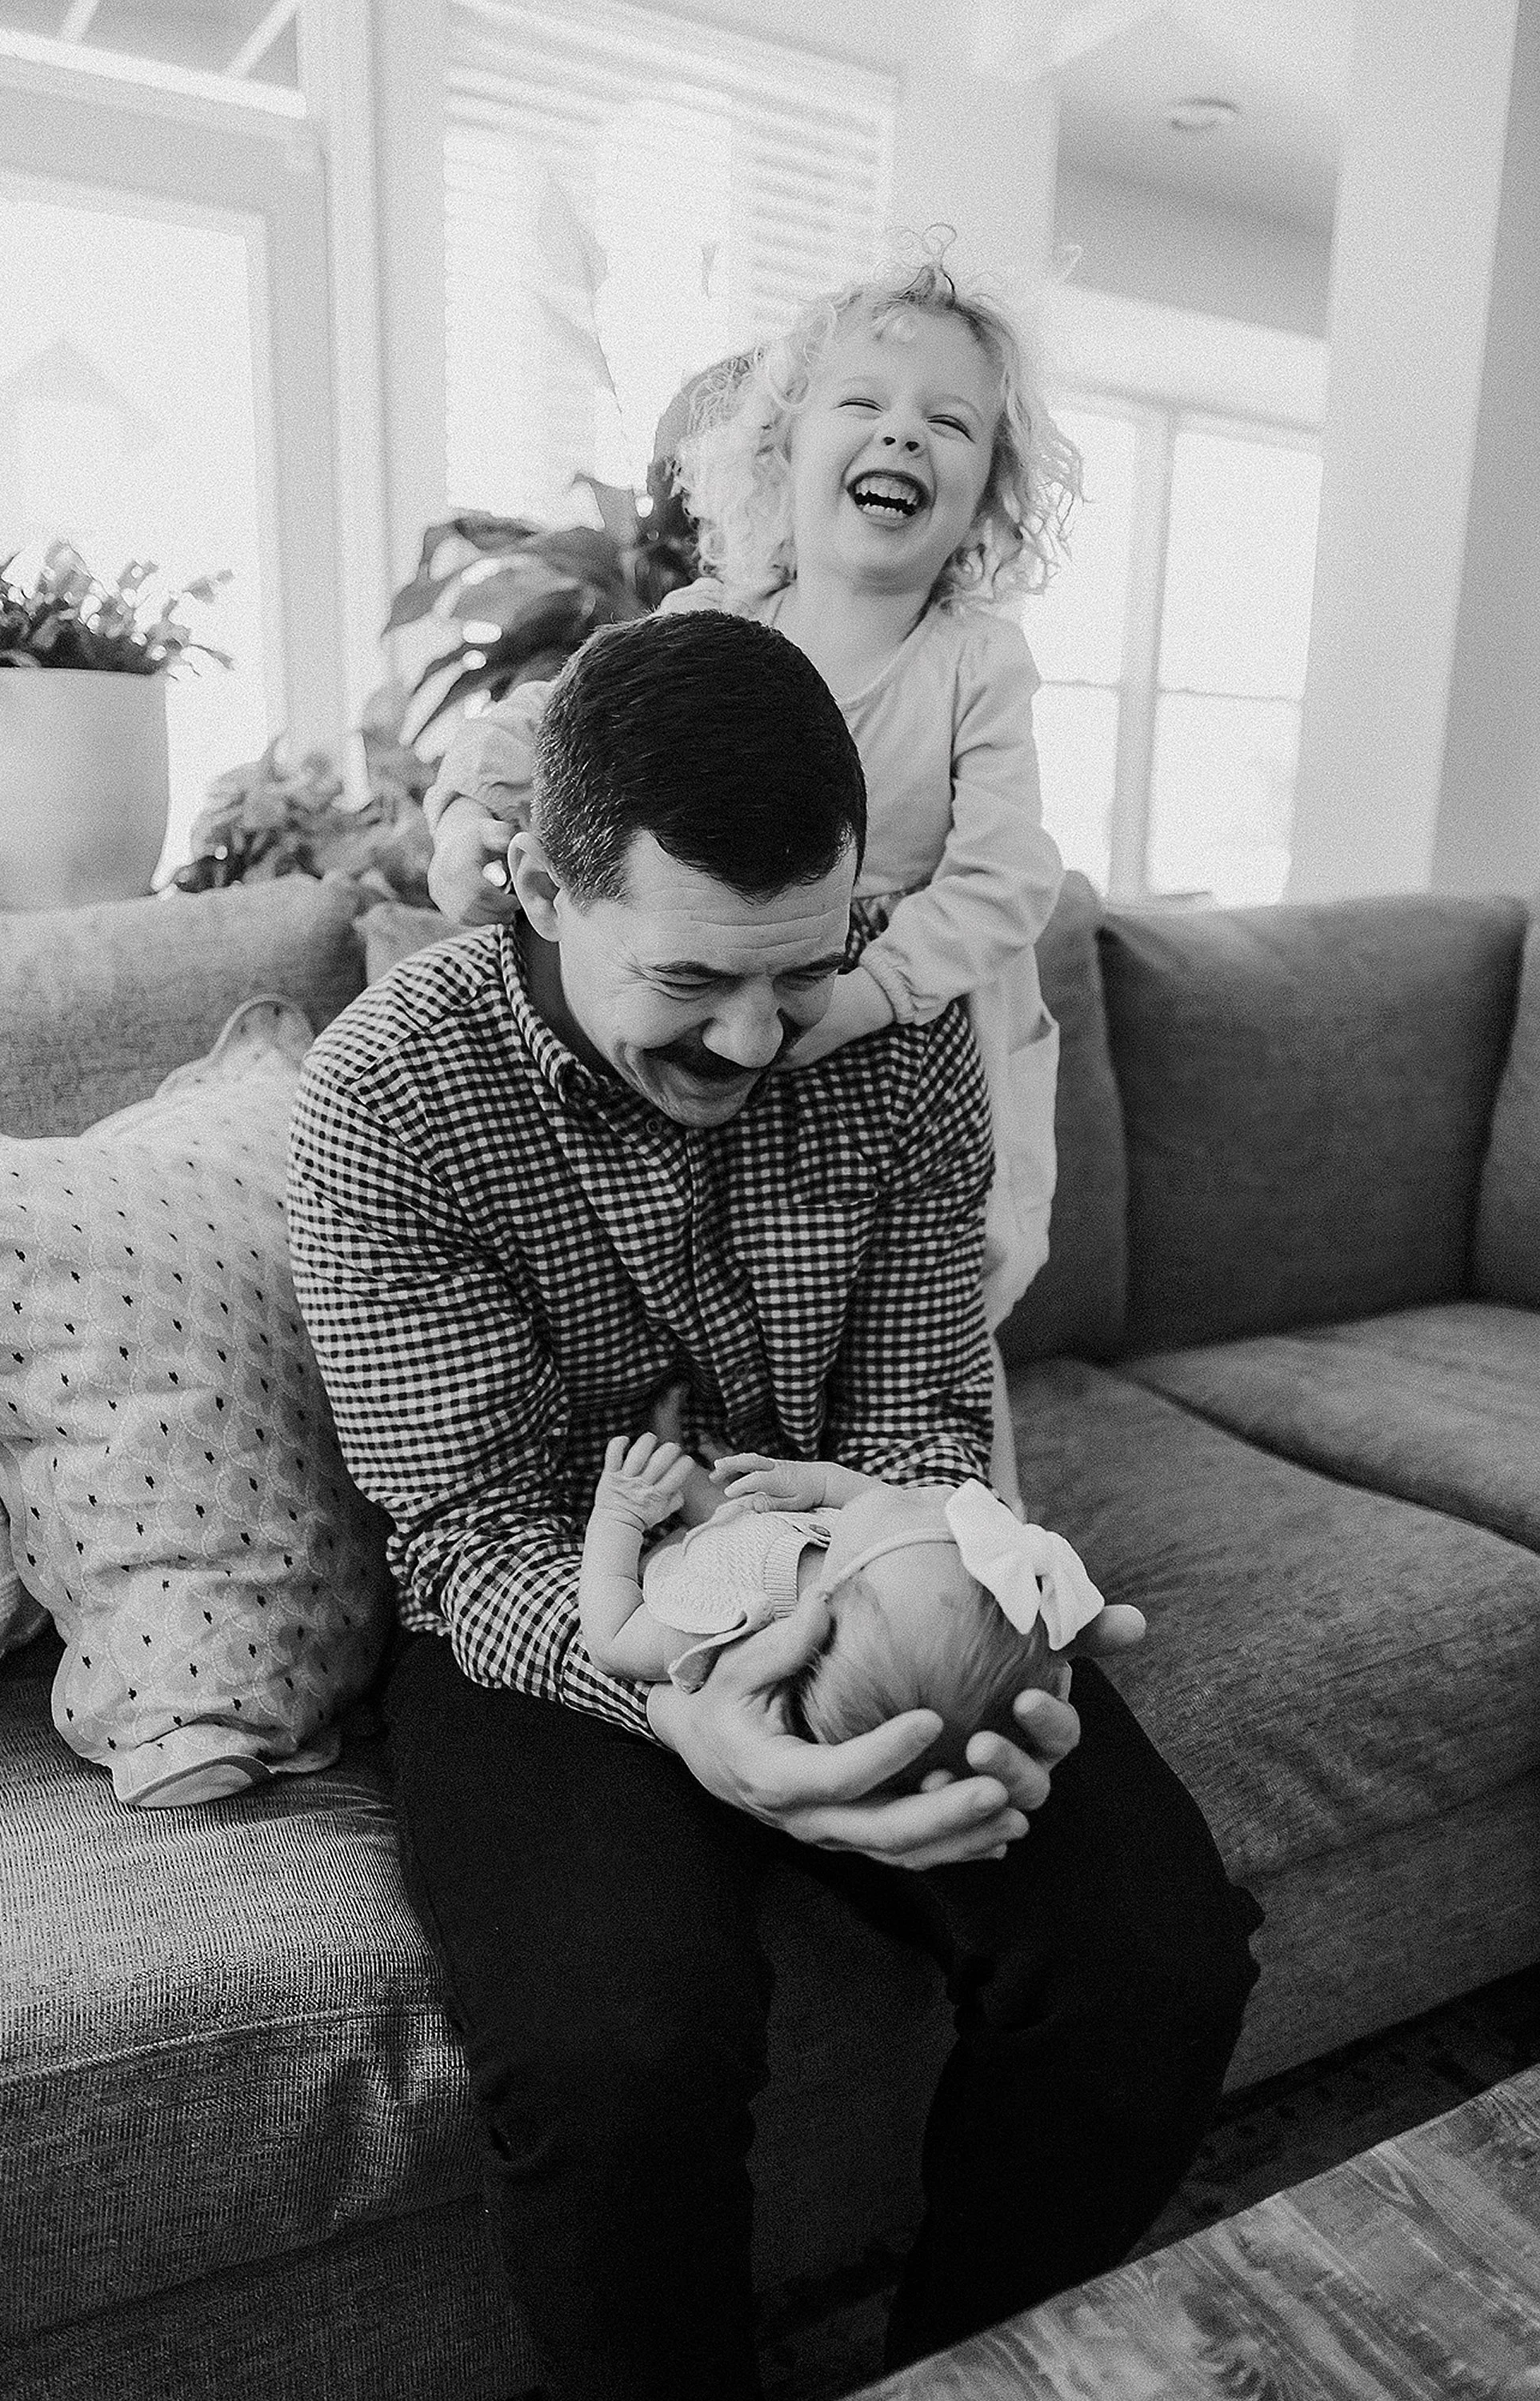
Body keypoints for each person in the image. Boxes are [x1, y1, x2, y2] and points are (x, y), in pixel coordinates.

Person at [288, 607, 1261, 2401]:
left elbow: (915, 1416)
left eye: (798, 968)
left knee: (1156, 1960)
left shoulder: (894, 1036)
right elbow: (467, 1528)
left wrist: (952, 1570)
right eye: (691, 982)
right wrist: (683, 1701)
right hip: (557, 1615)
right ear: (541, 888)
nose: (755, 1037)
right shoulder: (384, 1101)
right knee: (616, 2056)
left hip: (858, 1555)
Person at [422, 242, 1078, 1504]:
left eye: (949, 422)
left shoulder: (975, 661)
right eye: (865, 405)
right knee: (786, 1271)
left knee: (944, 1300)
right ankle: (766, 1522)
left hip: (925, 1019)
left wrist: (864, 991)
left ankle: (962, 1532)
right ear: (780, 450)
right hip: (756, 996)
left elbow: (1006, 879)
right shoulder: (717, 622)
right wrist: (466, 810)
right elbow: (550, 726)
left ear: (987, 490)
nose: (905, 436)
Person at [581, 1435, 1111, 1787]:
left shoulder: (725, 1625)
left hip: (677, 1554)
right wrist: (822, 1482)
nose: (918, 1498)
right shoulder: (874, 1575)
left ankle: (653, 1473)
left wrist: (620, 1515)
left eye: (905, 1513)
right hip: (749, 1526)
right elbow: (876, 1506)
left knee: (680, 1493)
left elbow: (611, 1634)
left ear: (840, 1591)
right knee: (717, 1484)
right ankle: (672, 1444)